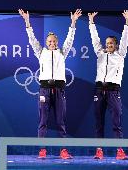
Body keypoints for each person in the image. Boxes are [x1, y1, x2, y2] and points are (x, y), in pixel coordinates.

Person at [18, 9, 82, 159]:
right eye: (49, 42)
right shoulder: (41, 52)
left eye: (54, 41)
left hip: (59, 90)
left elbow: (70, 40)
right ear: (46, 43)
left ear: (57, 43)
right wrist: (27, 21)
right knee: (43, 121)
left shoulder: (62, 52)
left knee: (61, 121)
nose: (52, 43)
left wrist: (73, 22)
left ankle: (63, 150)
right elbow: (32, 39)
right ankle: (42, 150)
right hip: (44, 90)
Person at [88, 10, 128, 160]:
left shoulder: (121, 54)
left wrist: (127, 22)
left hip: (113, 91)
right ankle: (99, 150)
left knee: (116, 122)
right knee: (99, 122)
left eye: (111, 43)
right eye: (107, 44)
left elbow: (125, 39)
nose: (108, 45)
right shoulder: (100, 54)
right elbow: (95, 40)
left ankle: (119, 151)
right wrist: (91, 23)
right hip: (99, 91)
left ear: (116, 45)